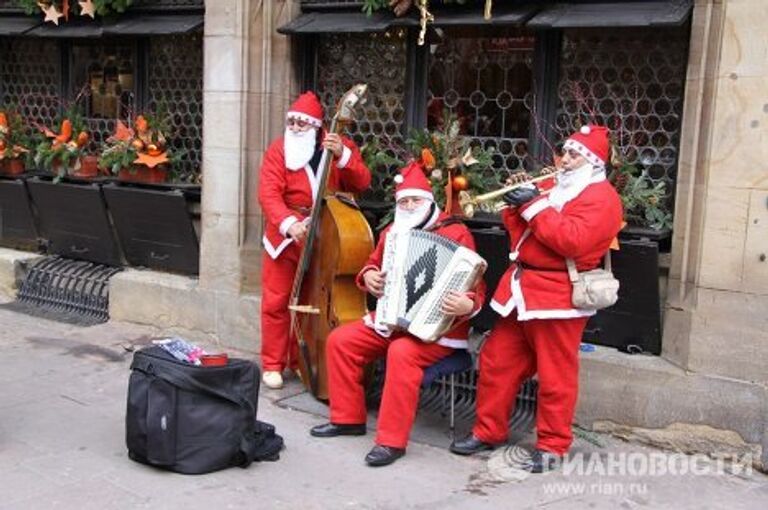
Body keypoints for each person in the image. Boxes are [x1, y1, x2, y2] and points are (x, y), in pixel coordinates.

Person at [449, 125, 624, 473]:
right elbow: (519, 232)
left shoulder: (603, 200)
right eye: (566, 153)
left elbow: (571, 241)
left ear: (593, 162)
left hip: (559, 296)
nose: (566, 160)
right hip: (521, 289)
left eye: (576, 155)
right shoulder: (552, 188)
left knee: (556, 377)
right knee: (498, 362)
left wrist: (532, 204)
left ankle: (553, 445)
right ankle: (488, 430)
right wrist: (516, 207)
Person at [309, 161, 486, 467]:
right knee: (341, 340)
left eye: (415, 200)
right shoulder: (393, 231)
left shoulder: (456, 232)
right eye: (403, 201)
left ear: (428, 200)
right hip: (392, 321)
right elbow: (370, 266)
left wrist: (468, 305)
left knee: (402, 352)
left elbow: (476, 286)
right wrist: (369, 277)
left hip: (436, 330)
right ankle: (348, 419)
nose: (408, 205)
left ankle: (391, 441)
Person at [258, 91, 371, 390]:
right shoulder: (278, 150)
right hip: (286, 236)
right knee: (277, 300)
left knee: (312, 301)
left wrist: (344, 157)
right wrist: (289, 223)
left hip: (326, 234)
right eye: (291, 121)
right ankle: (273, 363)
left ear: (316, 126)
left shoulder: (338, 145)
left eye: (301, 123)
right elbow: (268, 194)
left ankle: (300, 360)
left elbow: (362, 182)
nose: (294, 127)